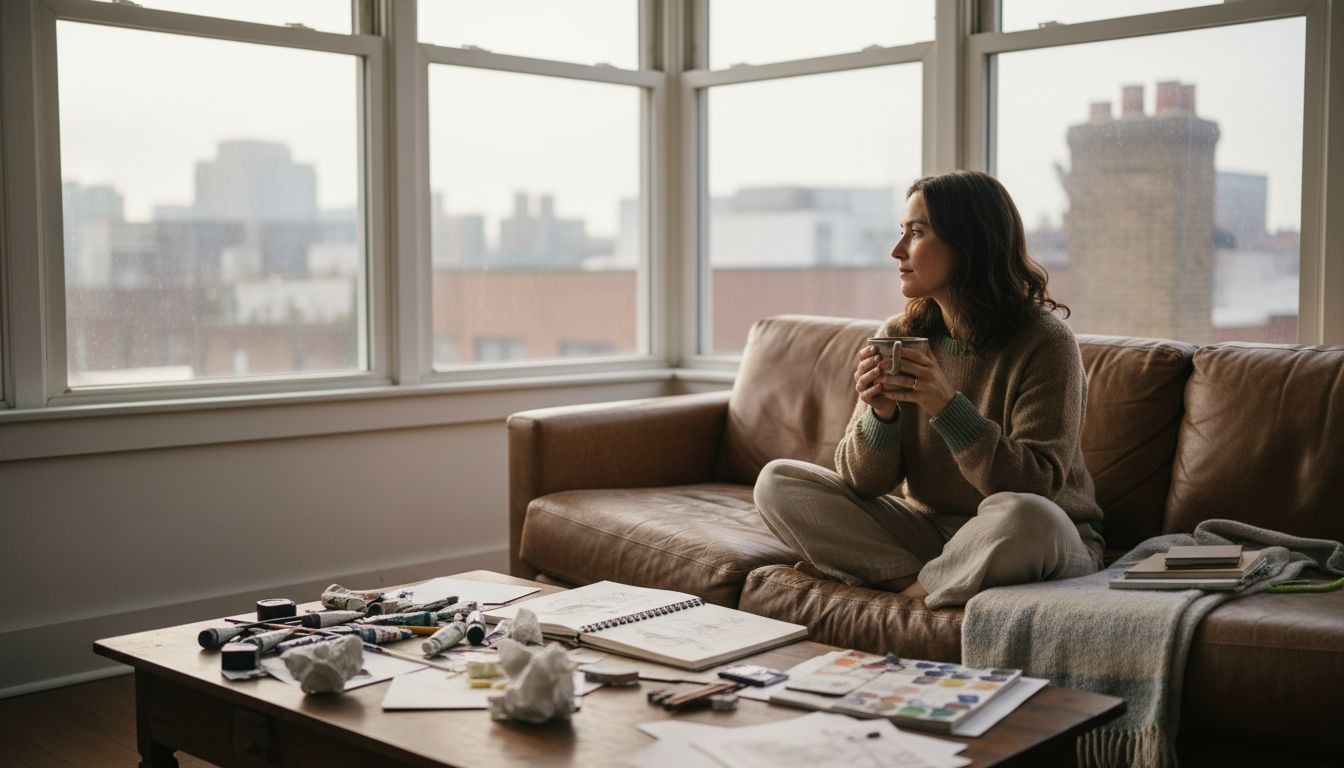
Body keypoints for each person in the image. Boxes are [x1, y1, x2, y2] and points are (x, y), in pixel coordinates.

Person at [753, 170, 1105, 609]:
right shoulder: (900, 335)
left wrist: (944, 403)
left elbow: (1033, 486)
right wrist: (880, 415)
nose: (897, 251)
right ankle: (913, 583)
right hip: (928, 534)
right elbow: (861, 482)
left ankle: (900, 587)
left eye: (916, 233)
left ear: (969, 244)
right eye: (901, 232)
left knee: (1026, 517)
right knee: (778, 481)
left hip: (1031, 534)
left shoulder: (1045, 342)